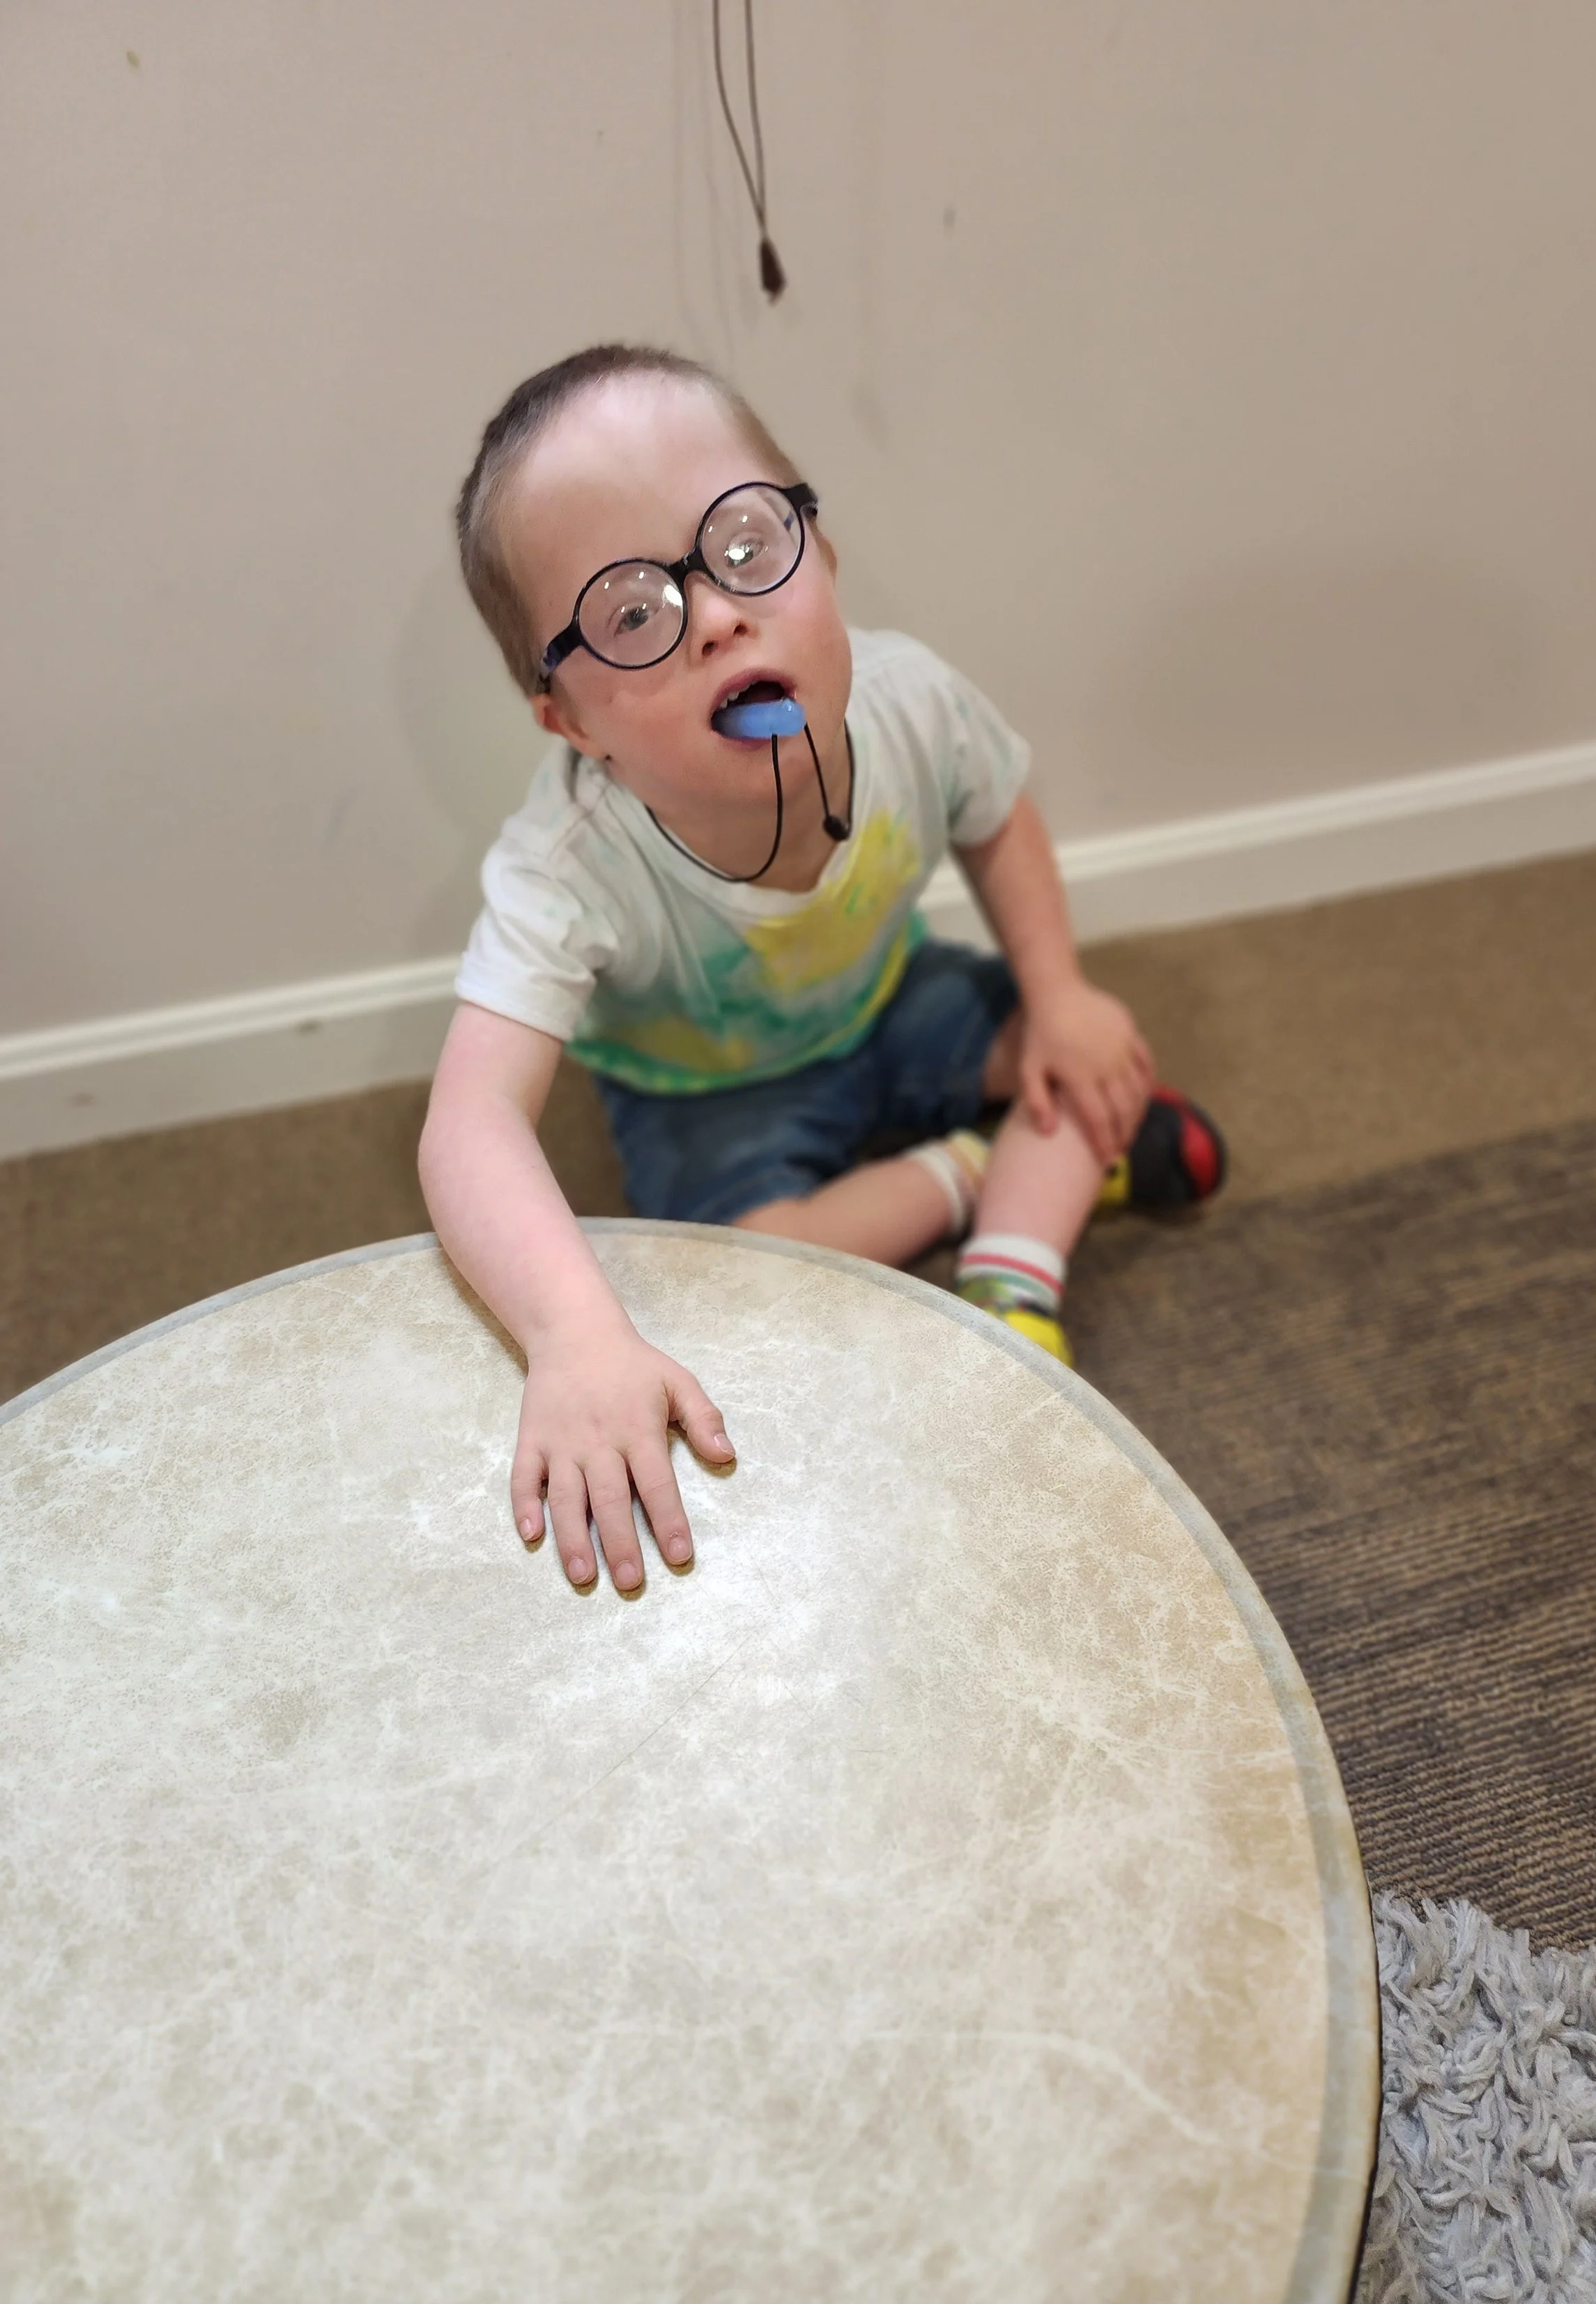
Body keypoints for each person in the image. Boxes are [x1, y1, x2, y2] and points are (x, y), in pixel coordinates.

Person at [420, 345, 1224, 1599]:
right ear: (571, 722)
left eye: (745, 545)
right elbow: (469, 1123)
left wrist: (1059, 992)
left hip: (894, 1004)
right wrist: (573, 1338)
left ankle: (1015, 1286)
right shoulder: (569, 863)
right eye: (635, 615)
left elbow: (997, 815)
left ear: (823, 555)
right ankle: (978, 1173)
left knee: (1095, 1048)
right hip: (710, 1098)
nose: (721, 614)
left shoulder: (910, 701)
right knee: (739, 1270)